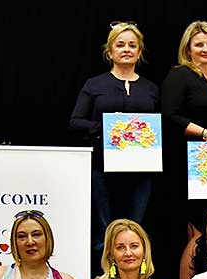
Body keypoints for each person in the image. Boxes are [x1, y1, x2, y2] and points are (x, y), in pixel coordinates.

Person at [69, 22, 160, 261]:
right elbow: (75, 122)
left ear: (139, 52)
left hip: (141, 173)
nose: (126, 49)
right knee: (105, 231)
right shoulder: (95, 84)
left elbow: (160, 127)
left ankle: (136, 278)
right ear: (109, 52)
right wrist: (107, 127)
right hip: (103, 169)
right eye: (120, 45)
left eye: (132, 45)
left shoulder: (151, 88)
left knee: (137, 230)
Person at [162, 20, 207, 279]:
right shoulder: (180, 74)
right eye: (199, 44)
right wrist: (202, 132)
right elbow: (169, 115)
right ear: (188, 49)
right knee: (199, 233)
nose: (205, 49)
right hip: (191, 167)